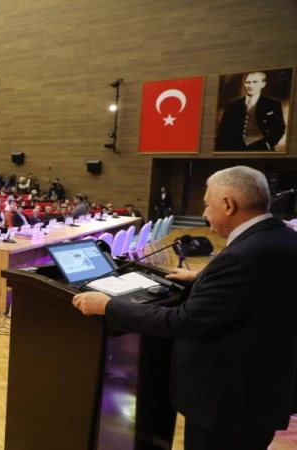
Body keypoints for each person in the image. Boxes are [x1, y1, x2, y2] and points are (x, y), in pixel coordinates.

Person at [72, 166, 297, 450]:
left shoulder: (246, 253)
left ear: (228, 204)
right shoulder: (282, 237)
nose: (204, 213)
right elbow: (257, 290)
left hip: (228, 404)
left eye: (206, 204)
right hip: (261, 391)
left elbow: (183, 321)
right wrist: (203, 277)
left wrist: (108, 305)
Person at [215, 72, 286, 152]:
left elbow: (279, 128)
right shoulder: (232, 106)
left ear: (263, 84)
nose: (250, 85)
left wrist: (268, 144)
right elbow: (223, 131)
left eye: (255, 82)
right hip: (235, 148)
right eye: (248, 82)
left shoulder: (272, 104)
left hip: (261, 147)